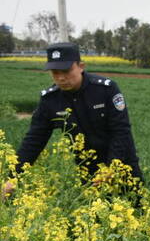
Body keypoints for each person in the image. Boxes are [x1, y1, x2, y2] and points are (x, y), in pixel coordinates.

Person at [3, 42, 142, 197]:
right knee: (96, 215)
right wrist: (13, 177)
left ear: (81, 66)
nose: (61, 78)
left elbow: (121, 131)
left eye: (66, 71)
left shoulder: (106, 90)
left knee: (137, 207)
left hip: (122, 162)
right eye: (55, 73)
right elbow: (34, 140)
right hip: (88, 167)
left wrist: (111, 167)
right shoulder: (50, 100)